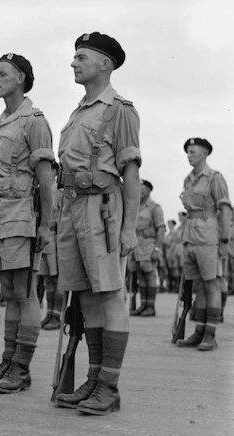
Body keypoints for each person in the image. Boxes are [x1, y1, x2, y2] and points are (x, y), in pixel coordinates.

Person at [53, 32, 140, 415]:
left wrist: (130, 227)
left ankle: (110, 385)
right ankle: (93, 378)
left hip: (103, 209)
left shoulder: (119, 109)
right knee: (86, 298)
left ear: (105, 64)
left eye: (81, 57)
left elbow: (131, 171)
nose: (74, 63)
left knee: (109, 295)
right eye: (74, 56)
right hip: (73, 207)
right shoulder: (79, 111)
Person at [0, 54, 53, 393]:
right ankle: (7, 360)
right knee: (7, 292)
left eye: (2, 74)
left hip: (20, 214)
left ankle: (21, 367)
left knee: (24, 291)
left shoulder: (34, 121)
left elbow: (46, 180)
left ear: (20, 78)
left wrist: (46, 224)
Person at [175, 138, 231, 351]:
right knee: (198, 285)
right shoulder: (188, 179)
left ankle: (210, 334)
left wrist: (224, 240)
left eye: (193, 152)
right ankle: (198, 331)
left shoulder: (215, 178)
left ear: (205, 154)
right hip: (190, 236)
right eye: (188, 152)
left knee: (211, 284)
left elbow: (225, 210)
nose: (189, 155)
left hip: (208, 237)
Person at [127, 180, 164, 317]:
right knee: (141, 275)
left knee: (149, 275)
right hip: (137, 244)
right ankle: (143, 305)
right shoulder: (135, 206)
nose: (140, 192)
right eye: (139, 189)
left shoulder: (154, 207)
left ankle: (150, 306)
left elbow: (161, 229)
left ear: (149, 190)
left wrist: (157, 249)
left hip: (149, 244)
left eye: (143, 190)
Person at [38, 161, 64, 330]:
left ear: (55, 171)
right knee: (48, 279)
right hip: (46, 239)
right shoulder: (42, 189)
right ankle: (49, 313)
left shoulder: (60, 192)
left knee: (58, 279)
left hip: (57, 237)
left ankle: (57, 314)